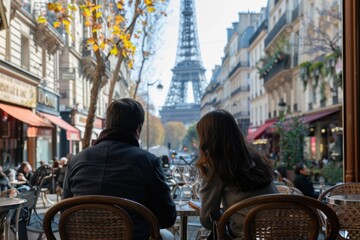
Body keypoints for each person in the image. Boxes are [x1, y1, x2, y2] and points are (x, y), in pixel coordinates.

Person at [63, 98, 176, 240]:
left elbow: (65, 211)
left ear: (106, 124)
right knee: (169, 236)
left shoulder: (76, 160)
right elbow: (166, 218)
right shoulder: (149, 162)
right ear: (138, 129)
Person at [195, 109, 277, 239]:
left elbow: (208, 220)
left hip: (246, 235)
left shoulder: (215, 165)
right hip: (279, 231)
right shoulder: (256, 158)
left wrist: (227, 215)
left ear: (207, 138)